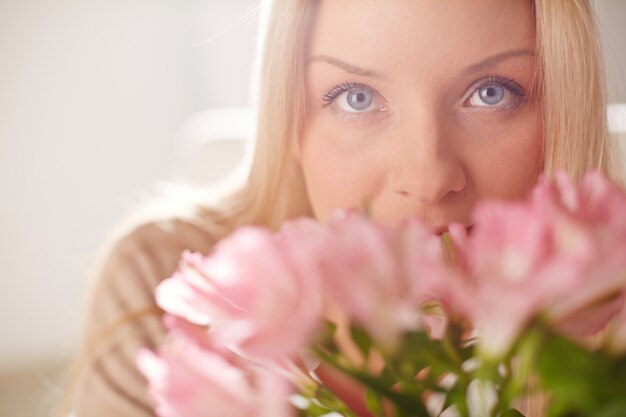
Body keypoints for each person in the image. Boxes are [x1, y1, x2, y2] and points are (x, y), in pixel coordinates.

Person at [62, 0, 621, 416]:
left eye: (492, 92)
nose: (427, 178)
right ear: (292, 120)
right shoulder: (156, 281)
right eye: (356, 97)